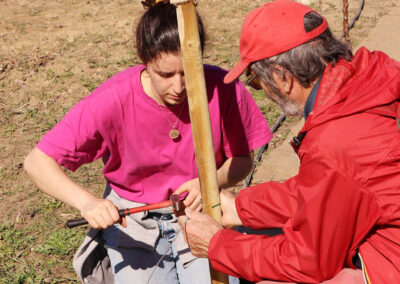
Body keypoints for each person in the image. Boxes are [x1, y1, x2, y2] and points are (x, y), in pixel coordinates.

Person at [23, 1, 273, 283]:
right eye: (165, 75)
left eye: (187, 73)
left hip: (199, 214)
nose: (178, 87)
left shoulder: (223, 88)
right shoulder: (113, 100)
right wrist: (88, 203)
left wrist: (210, 182)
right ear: (144, 60)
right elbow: (37, 162)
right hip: (135, 228)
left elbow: (242, 161)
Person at [178, 0, 400, 283]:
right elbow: (328, 188)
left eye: (257, 81)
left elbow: (309, 260)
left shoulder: (335, 139)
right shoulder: (370, 77)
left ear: (282, 77)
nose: (262, 91)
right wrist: (241, 208)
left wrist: (216, 245)